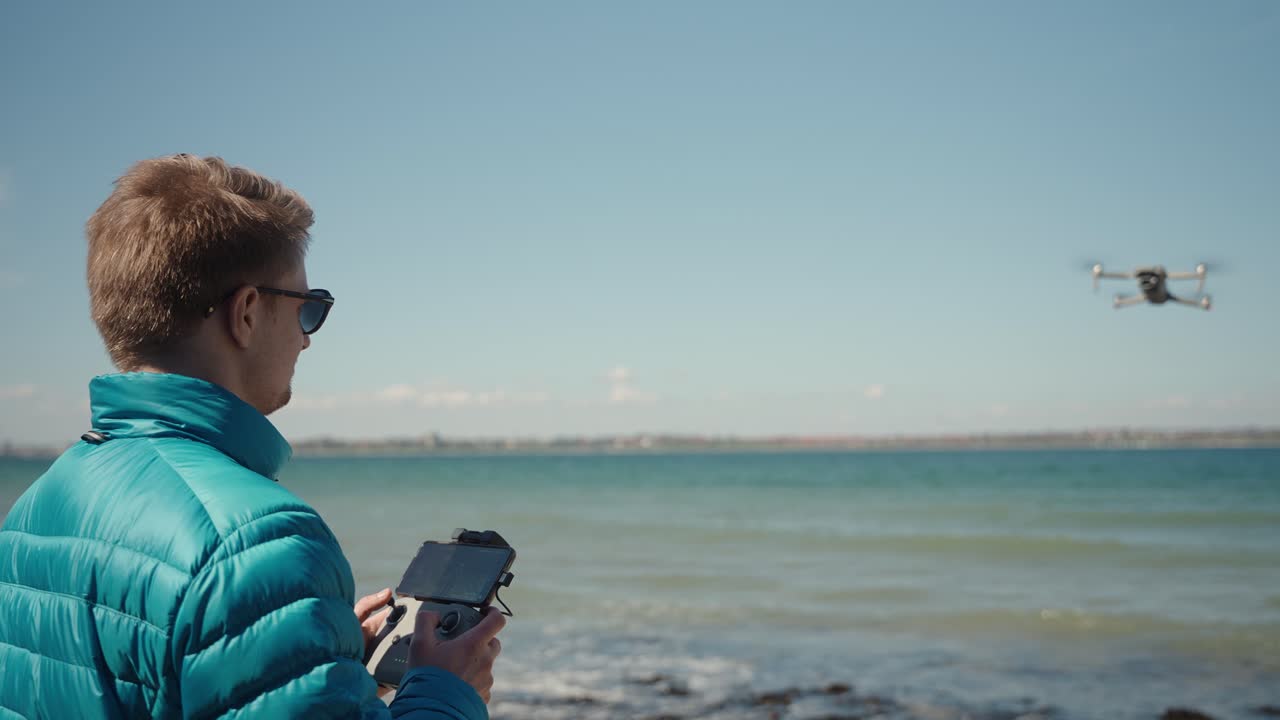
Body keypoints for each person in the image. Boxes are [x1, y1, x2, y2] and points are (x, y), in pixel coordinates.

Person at [0, 154, 504, 719]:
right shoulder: (259, 545)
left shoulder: (35, 509)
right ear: (245, 313)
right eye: (309, 310)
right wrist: (445, 691)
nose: (307, 340)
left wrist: (324, 671)